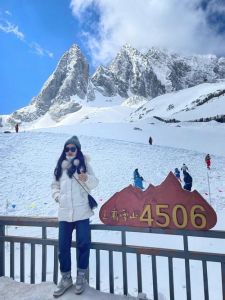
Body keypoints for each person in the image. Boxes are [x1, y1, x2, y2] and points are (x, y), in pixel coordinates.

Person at [51, 136, 99, 297]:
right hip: (65, 213)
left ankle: (81, 277)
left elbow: (95, 182)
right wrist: (58, 197)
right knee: (63, 247)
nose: (70, 151)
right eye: (67, 149)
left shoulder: (84, 164)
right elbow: (54, 186)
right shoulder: (60, 166)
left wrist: (86, 178)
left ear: (78, 150)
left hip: (82, 212)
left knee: (83, 244)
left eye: (73, 148)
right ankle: (66, 278)